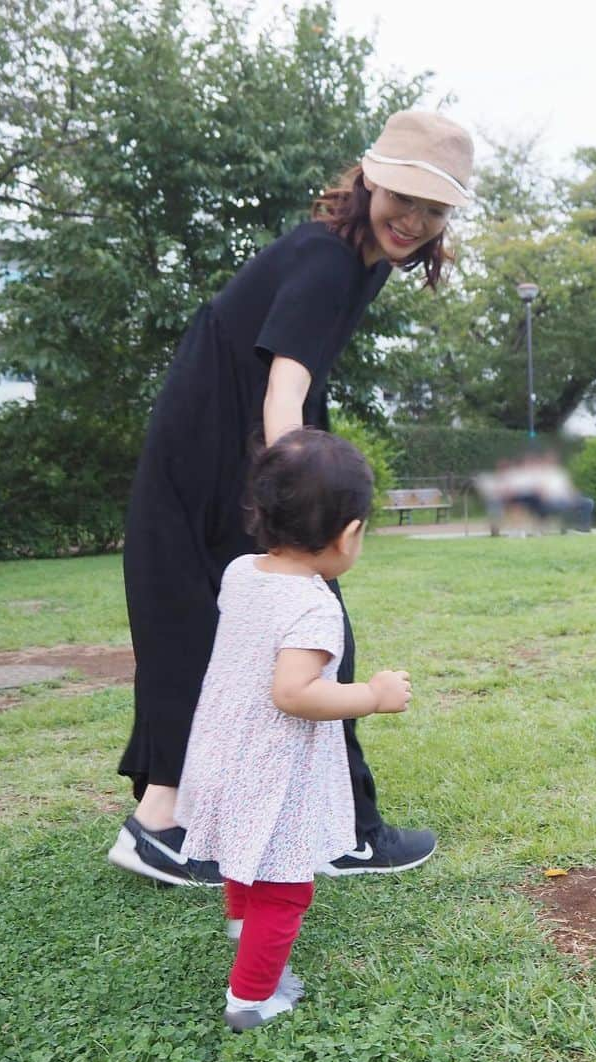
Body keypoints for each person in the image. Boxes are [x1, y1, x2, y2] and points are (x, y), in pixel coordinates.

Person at [108, 110, 474, 885]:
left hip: (222, 451)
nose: (413, 219)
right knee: (309, 624)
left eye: (433, 208)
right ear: (369, 177)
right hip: (221, 457)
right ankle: (333, 831)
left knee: (228, 634)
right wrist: (294, 500)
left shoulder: (362, 260)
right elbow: (285, 391)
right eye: (402, 195)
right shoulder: (329, 259)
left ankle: (166, 819)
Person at [176, 429, 412, 1030]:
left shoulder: (239, 572)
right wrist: (373, 696)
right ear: (349, 534)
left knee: (243, 850)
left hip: (218, 747)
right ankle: (251, 998)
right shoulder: (314, 604)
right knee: (285, 888)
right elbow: (294, 693)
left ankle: (242, 927)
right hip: (267, 765)